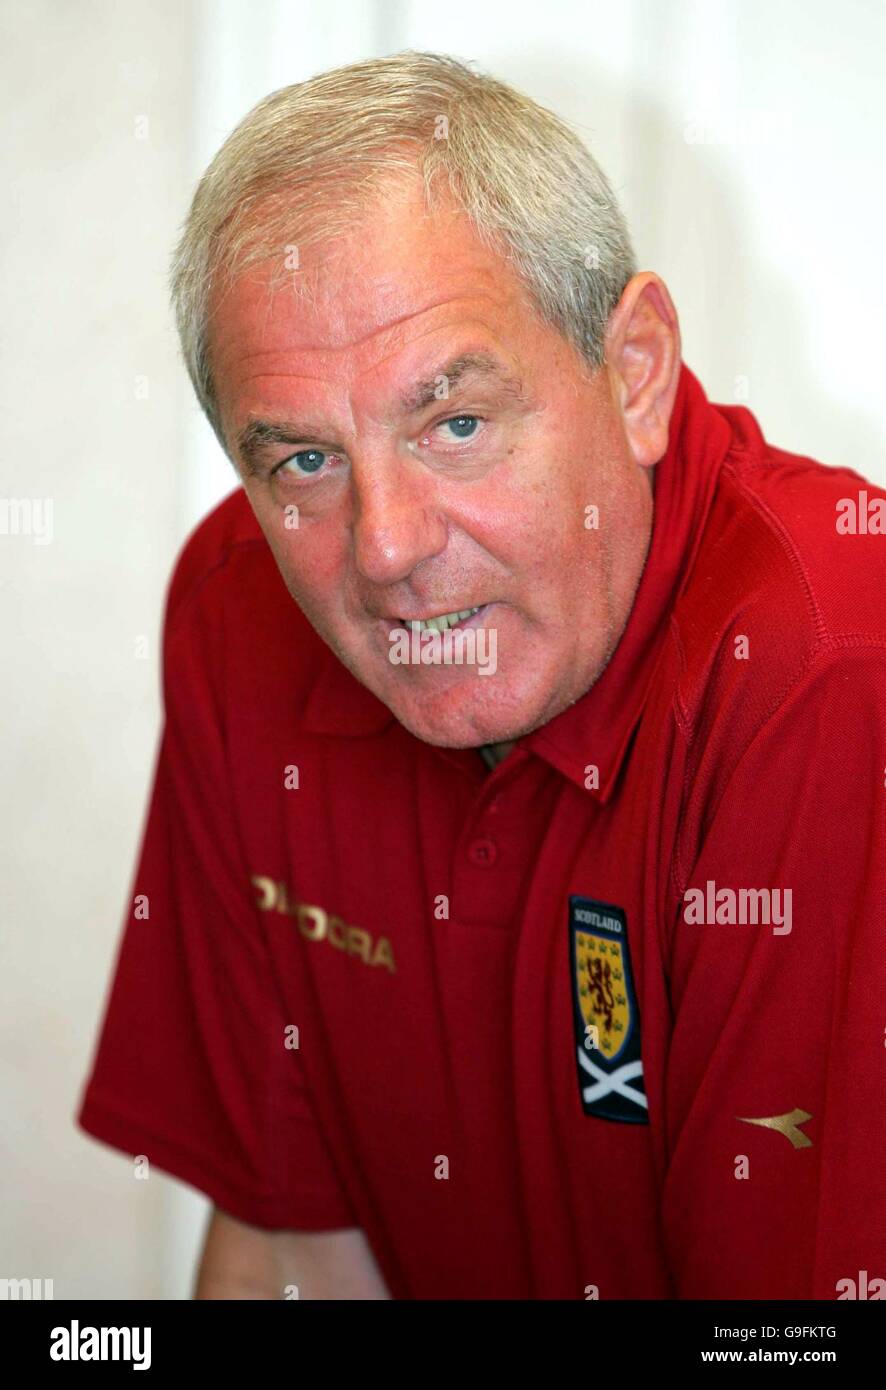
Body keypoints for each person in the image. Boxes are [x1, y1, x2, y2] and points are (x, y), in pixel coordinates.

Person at [76, 51, 886, 1300]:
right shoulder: (241, 604)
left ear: (634, 375)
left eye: (454, 423)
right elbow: (291, 1250)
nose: (388, 545)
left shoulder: (830, 658)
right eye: (302, 460)